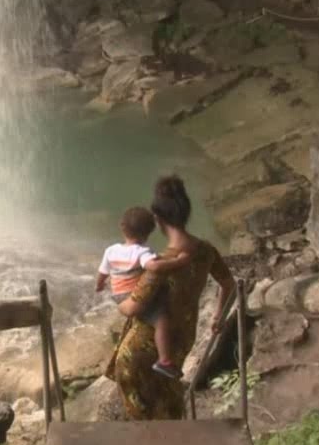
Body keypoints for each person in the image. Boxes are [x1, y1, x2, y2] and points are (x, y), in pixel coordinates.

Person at [107, 175, 236, 420]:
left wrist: (116, 297)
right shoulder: (206, 250)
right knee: (169, 399)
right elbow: (228, 283)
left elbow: (133, 308)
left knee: (145, 415)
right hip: (181, 338)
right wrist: (219, 314)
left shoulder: (160, 265)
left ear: (157, 220)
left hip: (140, 352)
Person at [96, 207, 191, 379]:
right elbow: (153, 266)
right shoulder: (142, 252)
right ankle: (164, 360)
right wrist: (178, 261)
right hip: (134, 297)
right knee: (161, 320)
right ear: (148, 233)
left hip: (118, 296)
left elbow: (102, 273)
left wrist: (100, 285)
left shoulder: (110, 250)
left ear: (122, 226)